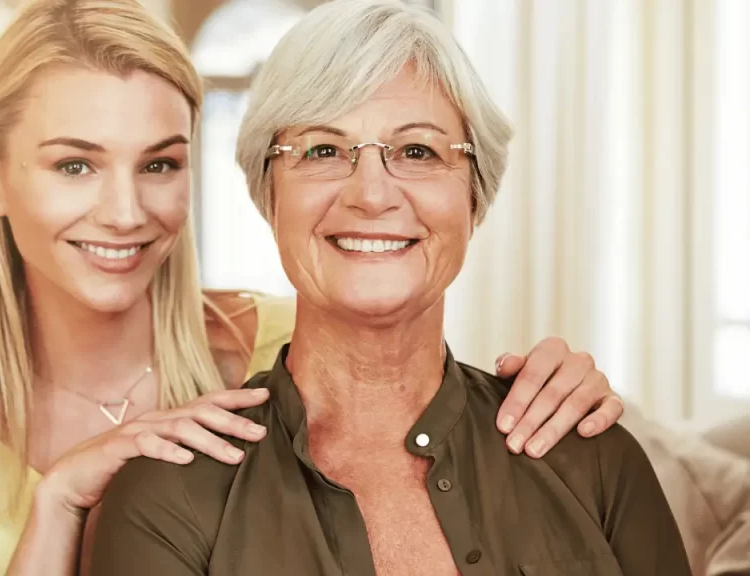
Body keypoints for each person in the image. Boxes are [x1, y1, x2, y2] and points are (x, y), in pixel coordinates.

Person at [0, 0, 626, 574]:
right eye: (75, 165)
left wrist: (567, 387)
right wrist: (57, 503)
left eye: (160, 163)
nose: (126, 212)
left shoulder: (294, 337)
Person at [88, 1, 689, 575]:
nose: (371, 194)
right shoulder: (167, 498)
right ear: (268, 196)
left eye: (418, 151)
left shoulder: (595, 461)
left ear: (475, 197)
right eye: (323, 149)